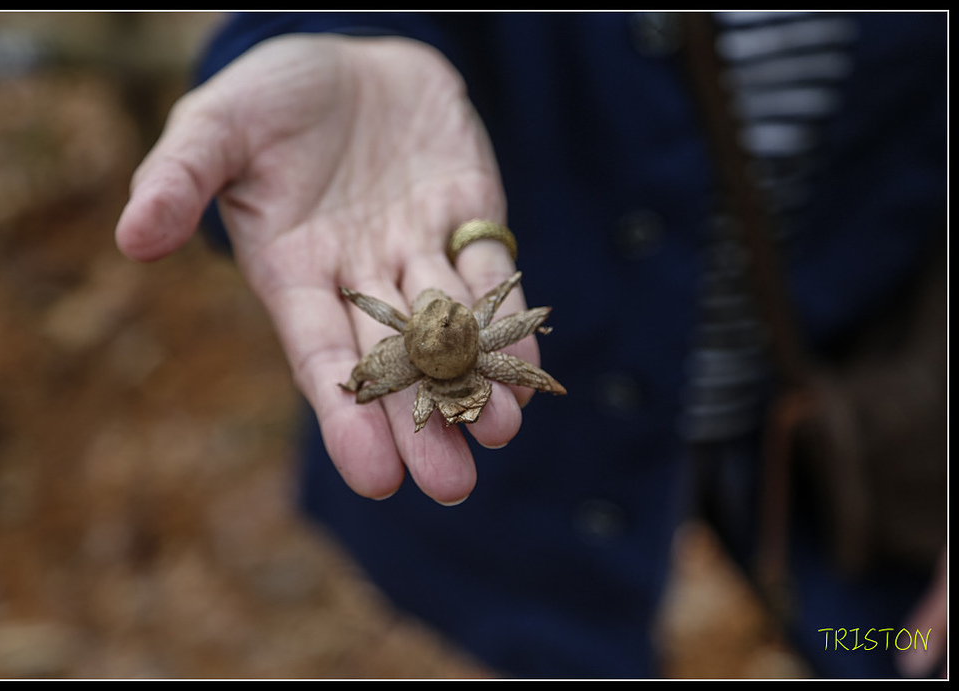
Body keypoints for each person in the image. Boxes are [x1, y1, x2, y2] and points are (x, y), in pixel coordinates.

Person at [115, 12, 946, 678]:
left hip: (846, 419)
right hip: (546, 495)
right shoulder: (422, 347)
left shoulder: (480, 346)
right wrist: (323, 27)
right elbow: (420, 349)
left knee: (870, 646)